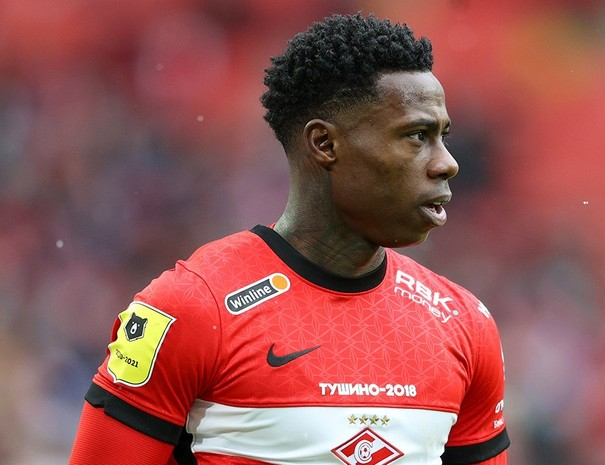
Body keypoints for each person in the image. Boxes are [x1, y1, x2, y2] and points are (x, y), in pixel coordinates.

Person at [68, 12, 509, 465]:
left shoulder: (463, 325)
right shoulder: (194, 309)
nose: (447, 162)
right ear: (325, 144)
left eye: (443, 137)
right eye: (417, 136)